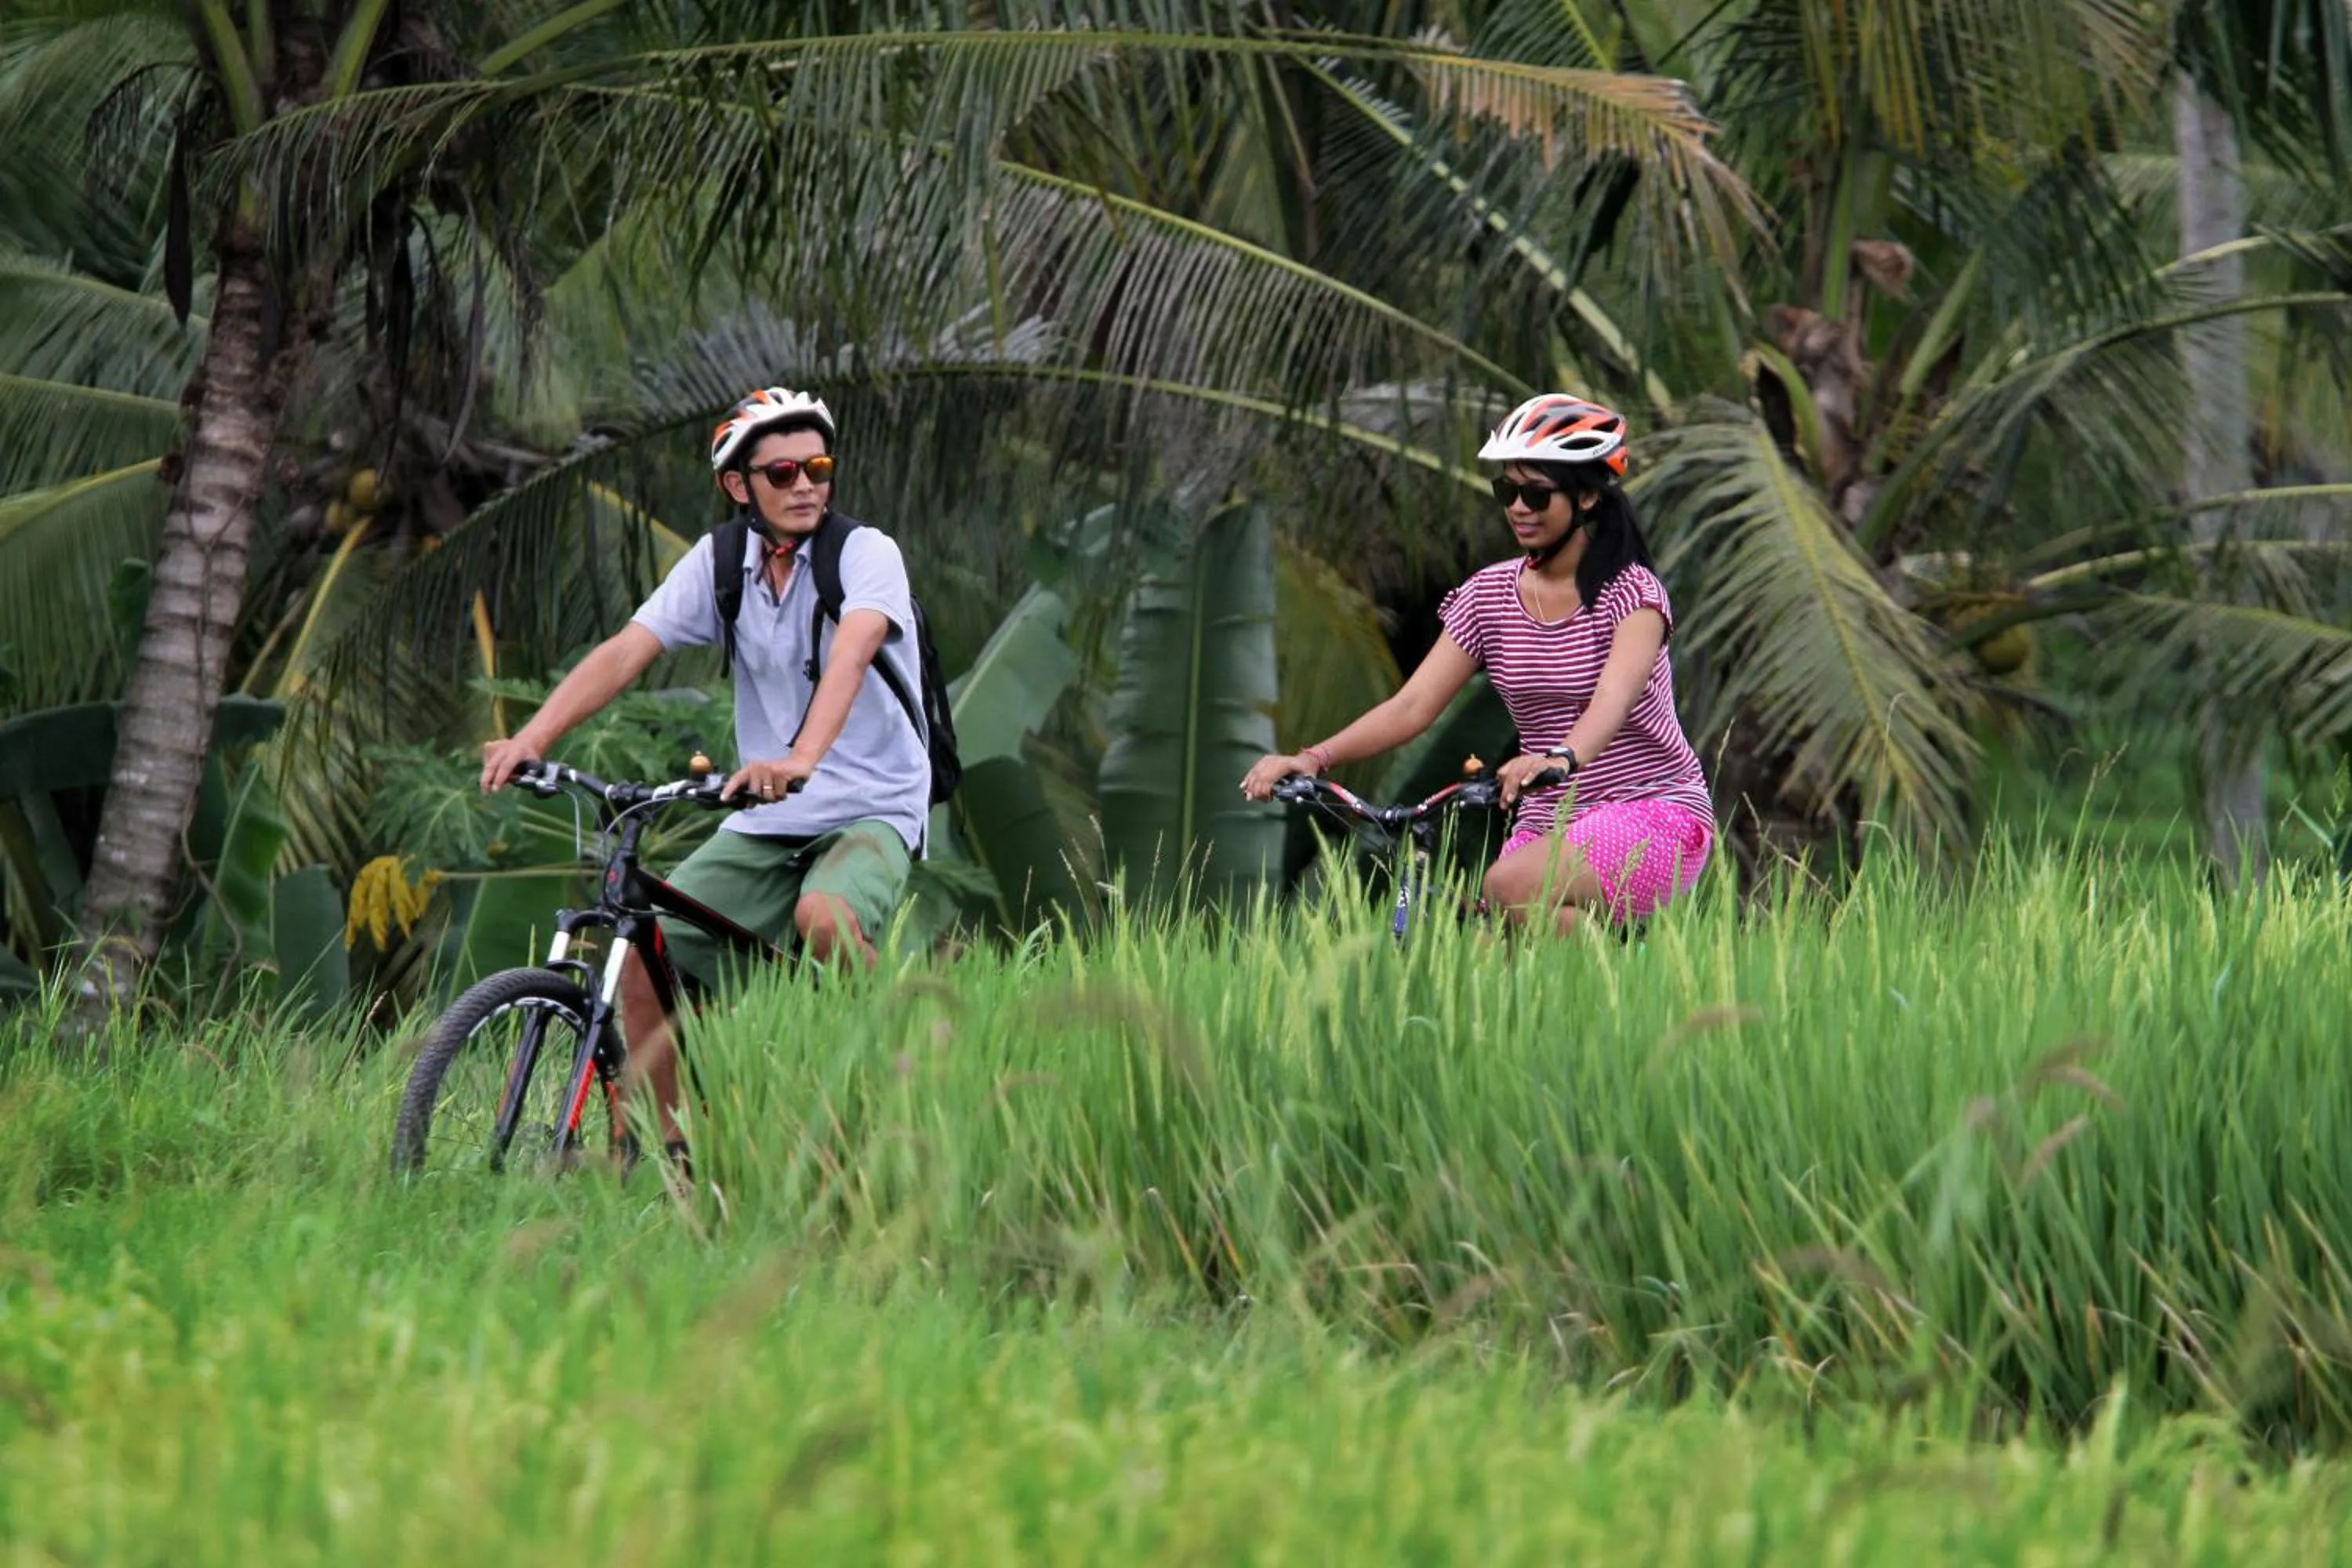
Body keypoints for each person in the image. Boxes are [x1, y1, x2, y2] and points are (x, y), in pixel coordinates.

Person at [479, 385, 929, 1145]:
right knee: (644, 953)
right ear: (738, 485)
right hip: (770, 812)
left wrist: (801, 757)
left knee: (824, 917)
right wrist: (533, 736)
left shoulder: (864, 553)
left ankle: (888, 1064)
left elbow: (852, 653)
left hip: (872, 803)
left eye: (817, 466)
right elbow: (628, 649)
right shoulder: (721, 562)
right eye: (782, 473)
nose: (806, 485)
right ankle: (674, 1154)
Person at [1240, 393, 1715, 932]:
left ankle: (1618, 997)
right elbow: (1413, 706)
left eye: (1536, 495)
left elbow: (1612, 700)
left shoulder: (1632, 594)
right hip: (1544, 819)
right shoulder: (1488, 596)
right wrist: (1313, 759)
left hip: (1652, 811)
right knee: (1498, 956)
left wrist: (1561, 755)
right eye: (1507, 490)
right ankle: (1619, 1003)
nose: (1517, 507)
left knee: (1507, 887)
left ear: (1585, 498)